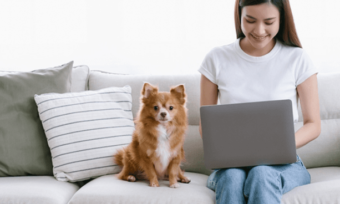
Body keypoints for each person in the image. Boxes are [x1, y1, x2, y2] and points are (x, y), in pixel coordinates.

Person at [198, 0, 321, 203]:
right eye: (250, 20)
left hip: (284, 165)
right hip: (231, 166)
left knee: (261, 173)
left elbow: (313, 125)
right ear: (239, 17)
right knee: (232, 177)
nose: (259, 30)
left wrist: (280, 147)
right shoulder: (216, 59)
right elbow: (207, 127)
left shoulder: (298, 59)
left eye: (269, 21)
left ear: (282, 19)